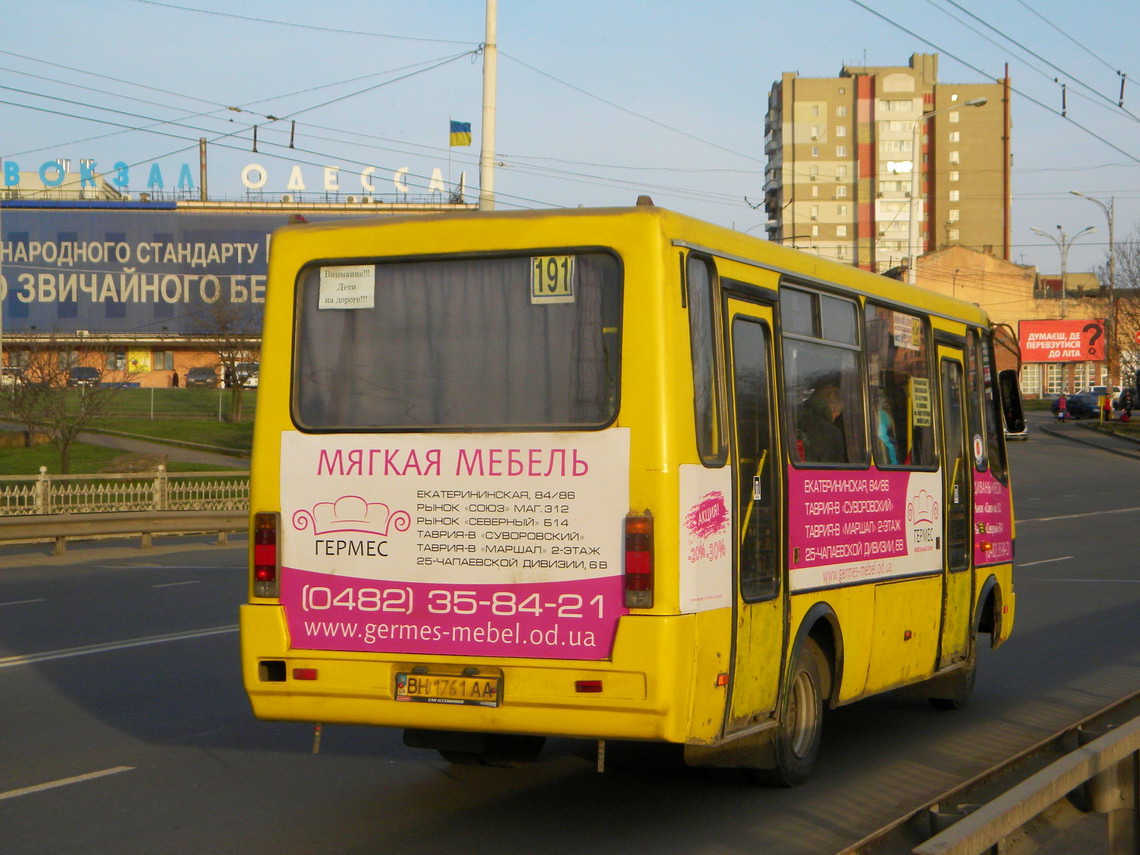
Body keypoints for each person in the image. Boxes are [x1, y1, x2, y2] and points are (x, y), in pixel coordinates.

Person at [798, 384, 845, 462]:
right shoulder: (831, 433)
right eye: (836, 416)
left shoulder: (796, 418)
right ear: (831, 408)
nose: (834, 421)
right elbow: (836, 469)